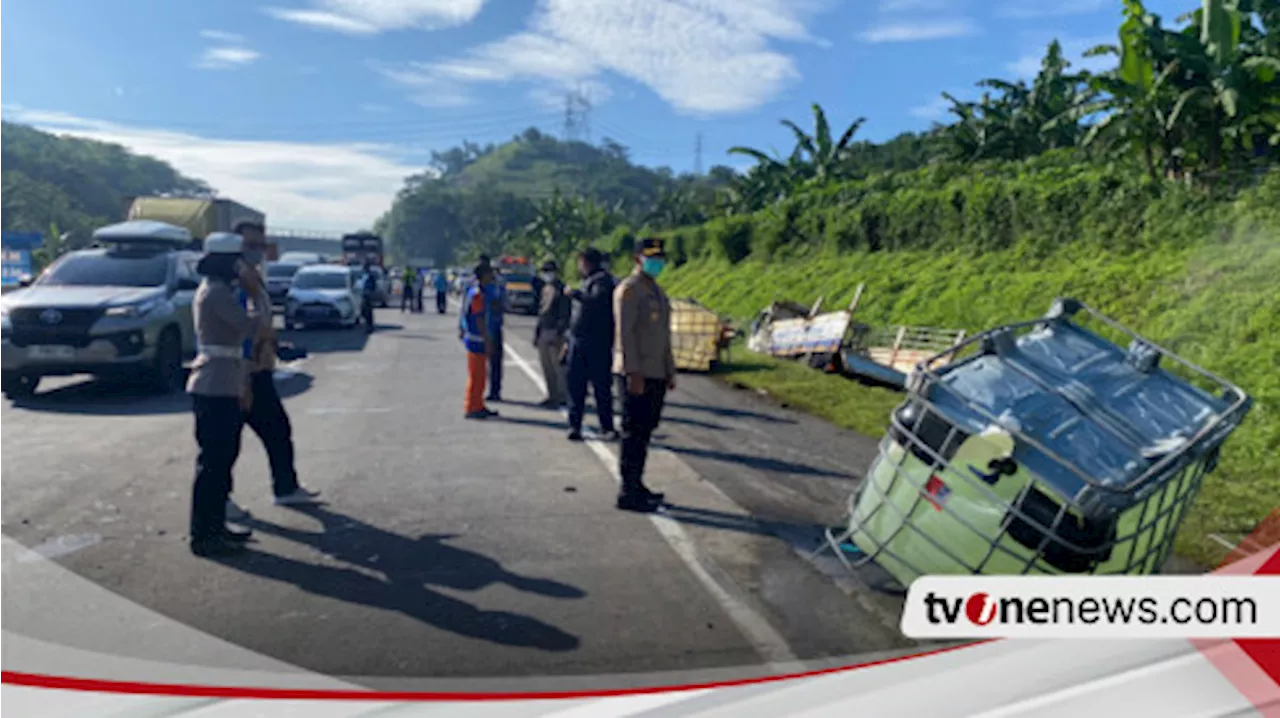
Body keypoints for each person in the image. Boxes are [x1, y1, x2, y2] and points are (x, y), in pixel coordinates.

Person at [229, 220, 321, 519]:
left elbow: (261, 322)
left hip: (259, 368)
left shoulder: (253, 276)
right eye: (249, 245)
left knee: (277, 431)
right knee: (226, 441)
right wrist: (243, 377)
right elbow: (239, 329)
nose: (256, 251)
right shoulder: (233, 281)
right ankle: (221, 499)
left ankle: (285, 488)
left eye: (260, 244)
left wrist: (277, 346)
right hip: (240, 373)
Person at [187, 232, 260, 557]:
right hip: (214, 383)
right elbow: (251, 326)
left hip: (223, 381)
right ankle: (204, 535)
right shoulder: (216, 293)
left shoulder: (217, 290)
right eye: (238, 261)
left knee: (222, 460)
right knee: (214, 463)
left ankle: (216, 528)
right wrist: (255, 293)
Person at [613, 238, 676, 513]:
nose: (657, 262)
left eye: (660, 257)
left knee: (645, 431)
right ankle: (627, 491)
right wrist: (632, 371)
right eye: (651, 257)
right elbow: (625, 335)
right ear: (637, 259)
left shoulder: (657, 292)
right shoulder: (630, 290)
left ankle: (637, 484)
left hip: (656, 373)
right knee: (633, 432)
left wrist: (669, 370)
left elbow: (663, 336)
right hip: (636, 373)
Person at [565, 247, 618, 442]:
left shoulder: (602, 282)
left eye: (581, 262)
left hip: (596, 344)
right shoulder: (588, 281)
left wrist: (576, 294)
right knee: (575, 387)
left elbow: (595, 302)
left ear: (587, 262)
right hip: (578, 341)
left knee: (601, 388)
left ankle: (607, 427)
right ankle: (575, 425)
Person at [460, 263, 499, 420]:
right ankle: (472, 407)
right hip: (477, 340)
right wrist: (487, 339)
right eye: (489, 273)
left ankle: (478, 404)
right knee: (476, 376)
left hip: (477, 339)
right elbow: (479, 319)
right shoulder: (477, 294)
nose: (492, 276)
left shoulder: (479, 291)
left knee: (481, 375)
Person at [534, 259, 571, 409]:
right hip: (544, 330)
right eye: (544, 271)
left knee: (557, 367)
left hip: (556, 332)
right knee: (546, 366)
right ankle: (551, 395)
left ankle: (561, 396)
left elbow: (564, 315)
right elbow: (541, 312)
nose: (547, 274)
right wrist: (537, 333)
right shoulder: (545, 288)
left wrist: (559, 334)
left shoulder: (561, 289)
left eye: (549, 271)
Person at [483, 263, 506, 403]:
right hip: (487, 328)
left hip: (494, 328)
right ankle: (489, 390)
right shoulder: (481, 288)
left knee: (495, 362)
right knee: (485, 363)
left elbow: (501, 304)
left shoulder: (497, 287)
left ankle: (495, 391)